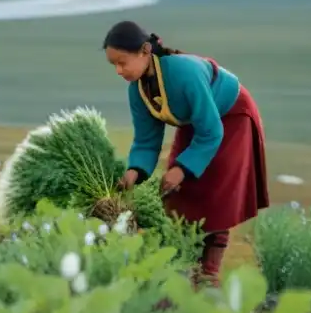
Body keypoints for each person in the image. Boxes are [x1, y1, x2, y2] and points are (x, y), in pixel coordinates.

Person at [104, 20, 269, 287]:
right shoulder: (137, 90)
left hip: (230, 117)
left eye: (122, 62)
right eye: (114, 65)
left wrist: (183, 168)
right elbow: (147, 140)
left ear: (145, 51)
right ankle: (186, 264)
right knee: (177, 192)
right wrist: (135, 170)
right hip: (198, 123)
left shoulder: (184, 73)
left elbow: (212, 131)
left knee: (215, 193)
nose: (118, 70)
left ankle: (208, 275)